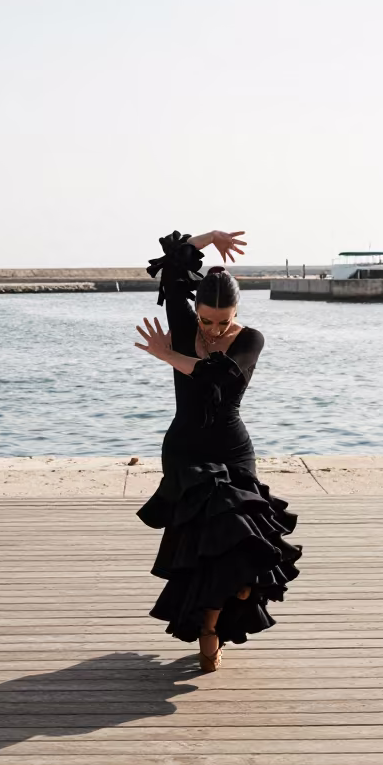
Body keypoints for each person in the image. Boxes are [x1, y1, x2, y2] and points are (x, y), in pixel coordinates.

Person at [135, 228, 302, 673]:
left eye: (223, 319)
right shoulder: (183, 322)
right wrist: (209, 237)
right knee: (207, 546)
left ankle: (223, 615)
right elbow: (175, 262)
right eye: (206, 320)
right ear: (196, 309)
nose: (213, 328)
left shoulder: (251, 340)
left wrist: (165, 355)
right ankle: (208, 632)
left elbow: (219, 379)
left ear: (237, 310)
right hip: (187, 451)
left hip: (232, 448)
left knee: (246, 547)